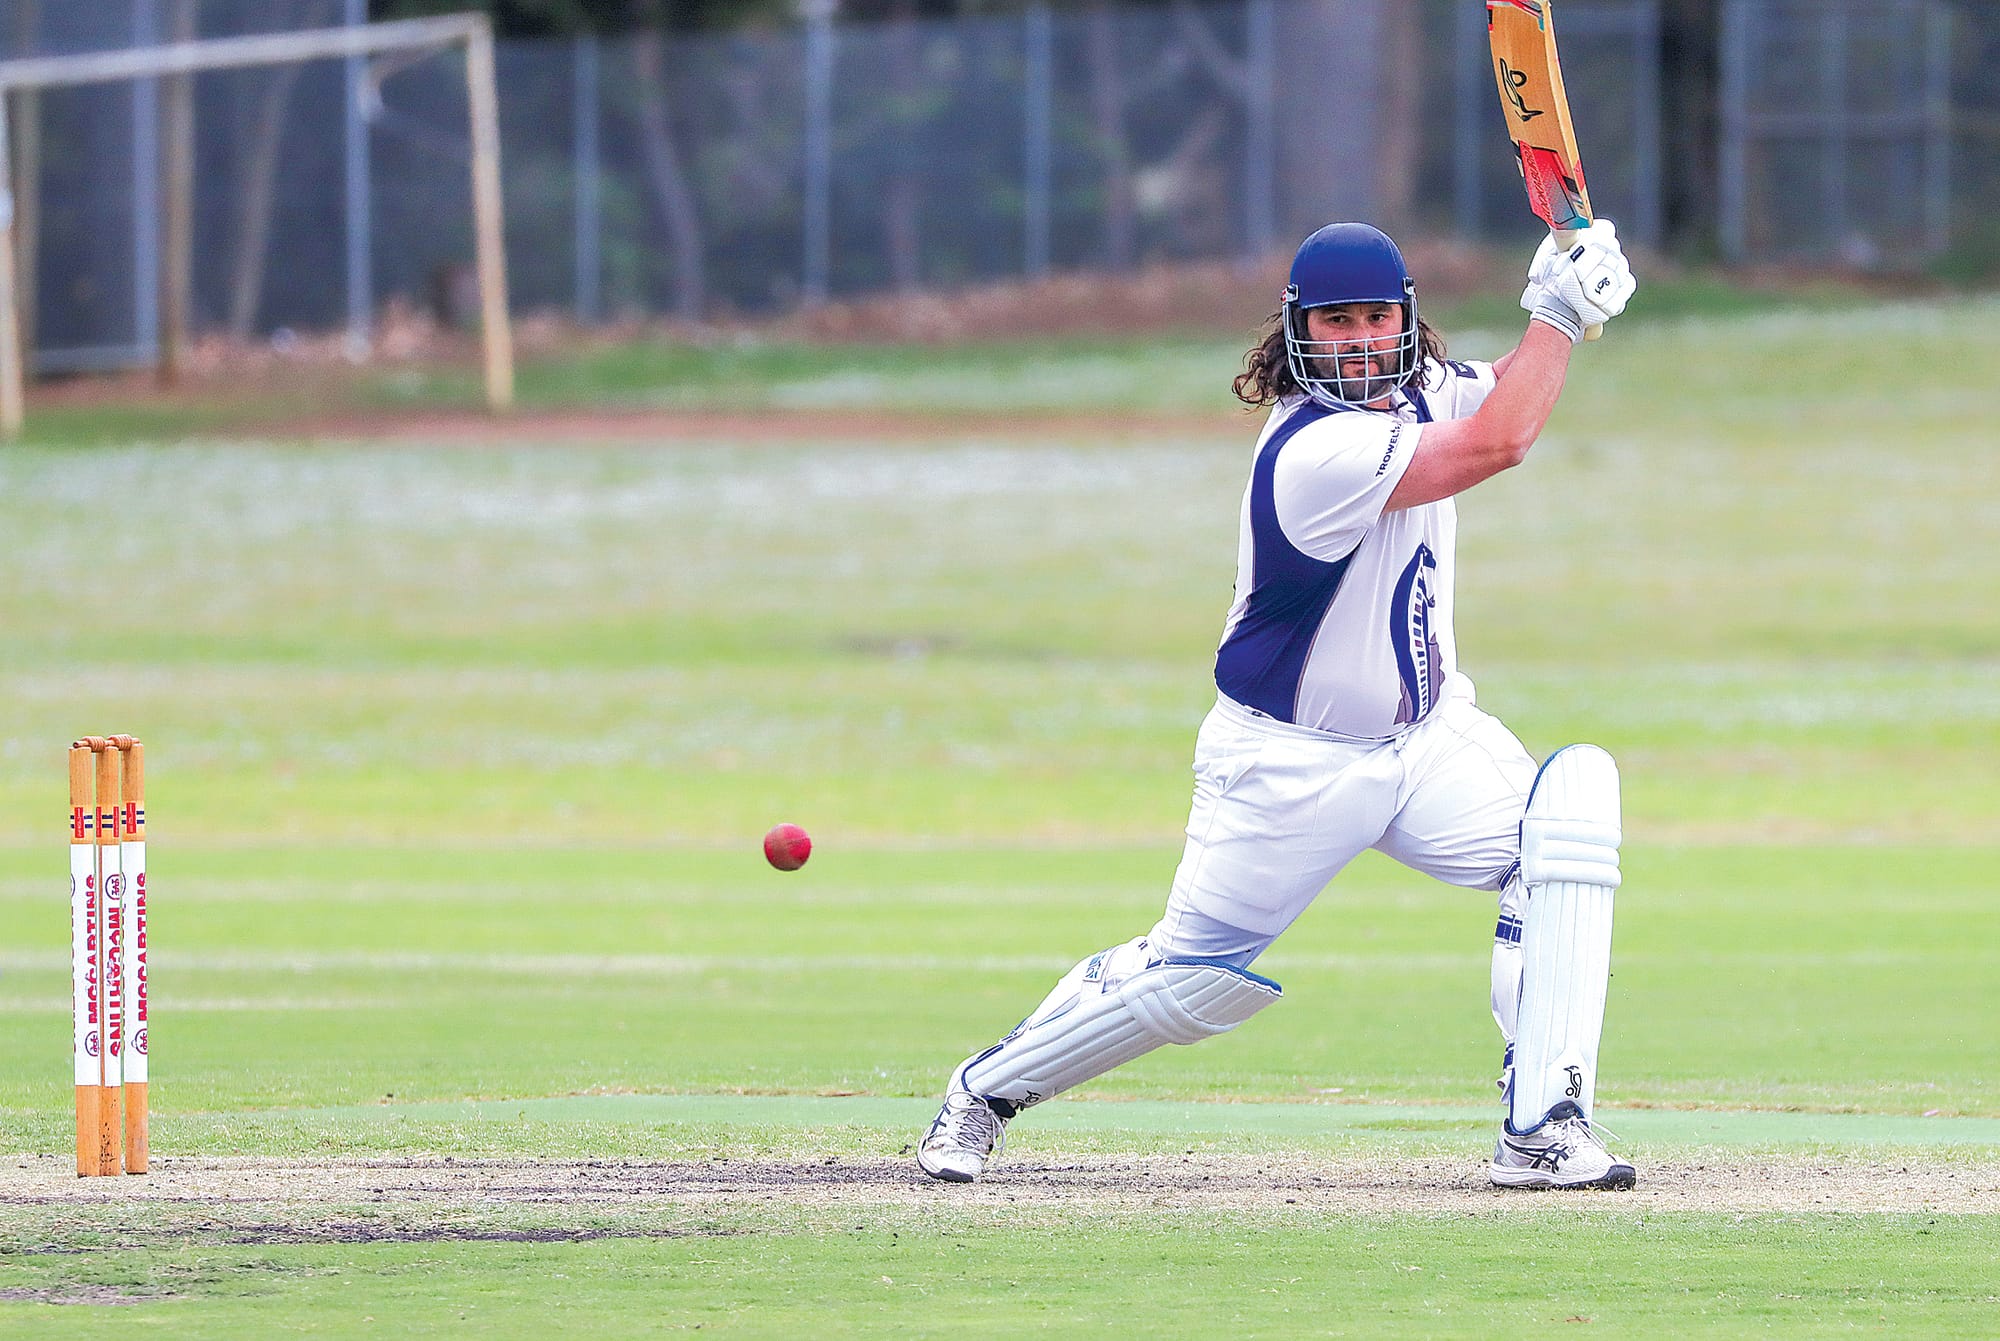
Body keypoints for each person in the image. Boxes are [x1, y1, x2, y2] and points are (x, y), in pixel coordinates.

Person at [915, 220, 1639, 1190]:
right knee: (1184, 981)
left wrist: (1571, 303)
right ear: (1295, 332)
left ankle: (1541, 1130)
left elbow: (1506, 387)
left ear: (1403, 319)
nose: (1356, 337)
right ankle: (984, 1091)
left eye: (1374, 316)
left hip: (1426, 745)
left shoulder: (1416, 390)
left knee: (1563, 829)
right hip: (1284, 767)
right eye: (1333, 320)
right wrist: (1553, 309)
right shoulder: (1312, 451)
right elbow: (1498, 441)